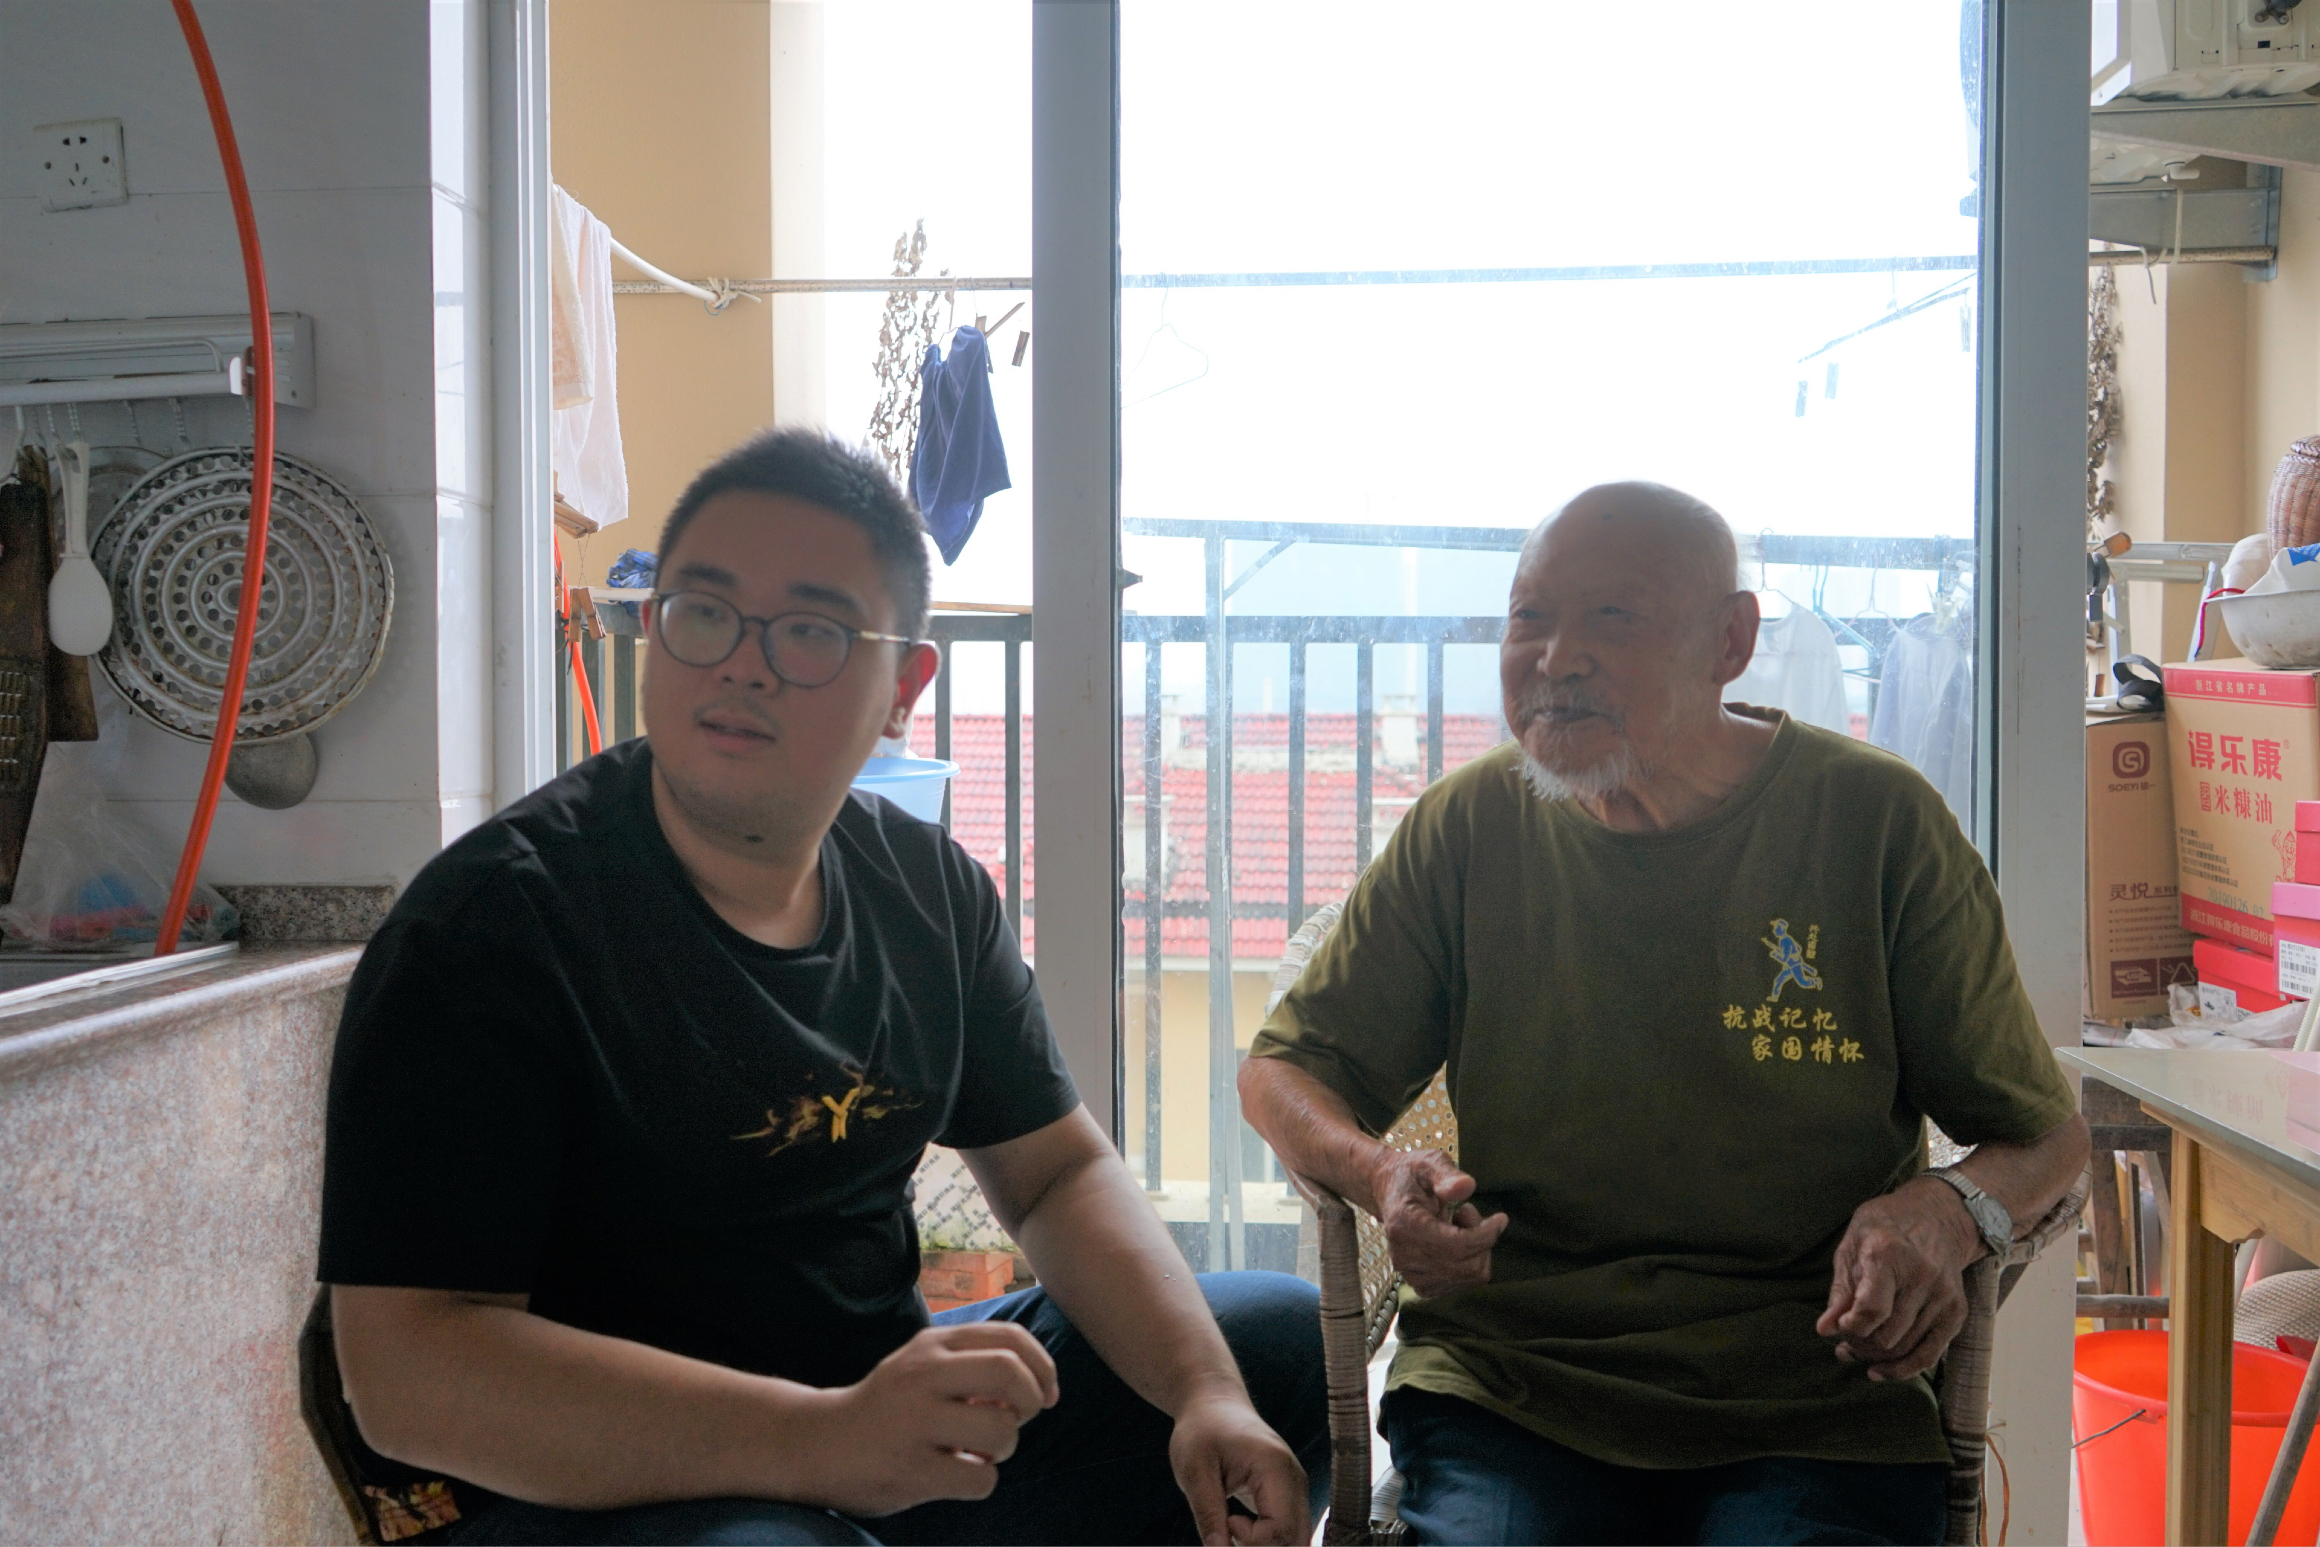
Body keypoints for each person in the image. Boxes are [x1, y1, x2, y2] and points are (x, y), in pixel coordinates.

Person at [320, 429, 1324, 1547]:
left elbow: (1055, 1174)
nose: (741, 665)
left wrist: (1204, 1394)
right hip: (595, 1487)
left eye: (810, 630)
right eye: (704, 611)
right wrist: (823, 1441)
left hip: (861, 1431)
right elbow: (405, 1370)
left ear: (903, 687)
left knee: (1273, 1348)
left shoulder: (928, 888)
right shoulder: (490, 929)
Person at [1239, 481, 2089, 1547]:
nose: (1555, 659)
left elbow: (2045, 1134)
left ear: (1731, 641)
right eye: (1529, 617)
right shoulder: (1469, 827)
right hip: (1516, 1383)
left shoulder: (1876, 824)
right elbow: (1282, 1069)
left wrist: (1948, 1210)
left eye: (1613, 618)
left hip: (1816, 1394)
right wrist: (1376, 1172)